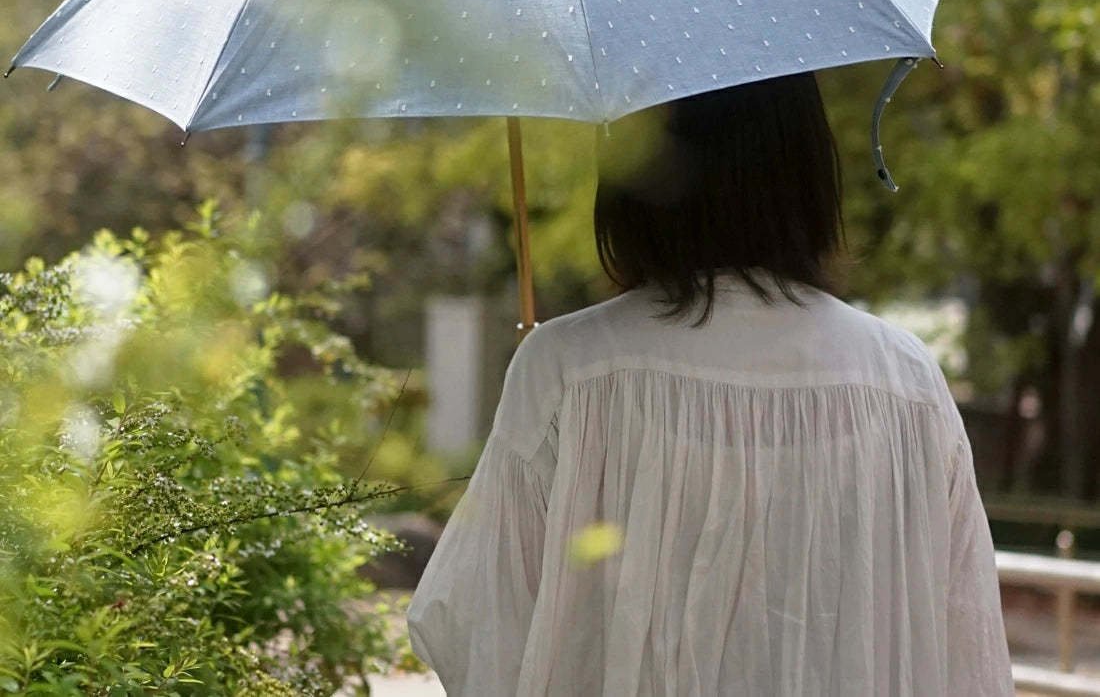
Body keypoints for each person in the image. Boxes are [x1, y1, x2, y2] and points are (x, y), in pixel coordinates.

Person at [407, 73, 1013, 696]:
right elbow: (970, 653)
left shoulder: (568, 370)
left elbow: (471, 631)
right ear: (807, 168)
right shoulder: (906, 384)